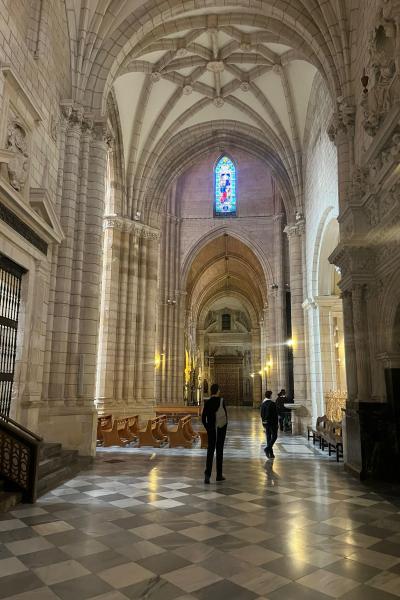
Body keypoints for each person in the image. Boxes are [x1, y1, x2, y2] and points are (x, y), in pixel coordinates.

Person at [201, 383, 227, 484]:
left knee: (210, 452)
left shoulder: (207, 402)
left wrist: (208, 428)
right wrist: (223, 430)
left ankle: (207, 475)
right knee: (219, 452)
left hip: (211, 430)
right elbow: (225, 418)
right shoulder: (221, 401)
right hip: (220, 430)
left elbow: (203, 418)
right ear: (217, 391)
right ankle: (219, 475)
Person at [260, 390, 278, 459]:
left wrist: (263, 421)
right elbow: (275, 415)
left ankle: (271, 453)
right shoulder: (272, 403)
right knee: (274, 436)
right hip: (272, 423)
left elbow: (261, 414)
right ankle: (267, 449)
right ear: (270, 395)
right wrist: (276, 424)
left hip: (265, 423)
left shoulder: (263, 403)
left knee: (268, 437)